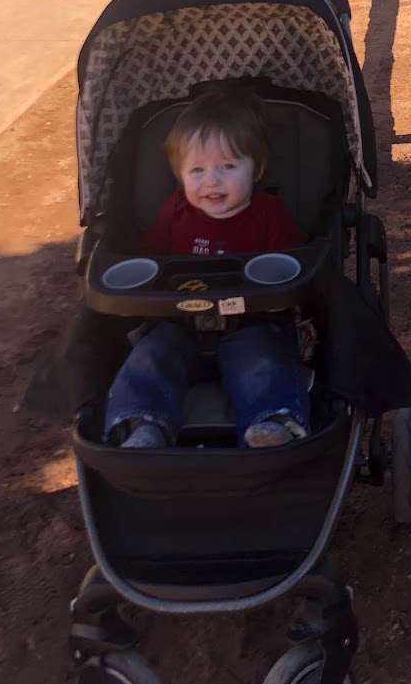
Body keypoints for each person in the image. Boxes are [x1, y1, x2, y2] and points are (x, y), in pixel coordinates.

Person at [104, 89, 312, 450]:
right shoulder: (175, 211)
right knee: (150, 358)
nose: (211, 181)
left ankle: (271, 421)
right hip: (179, 323)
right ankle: (144, 425)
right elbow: (149, 258)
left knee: (263, 360)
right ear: (179, 175)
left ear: (257, 169)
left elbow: (290, 273)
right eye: (197, 170)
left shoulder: (270, 215)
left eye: (228, 167)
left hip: (250, 323)